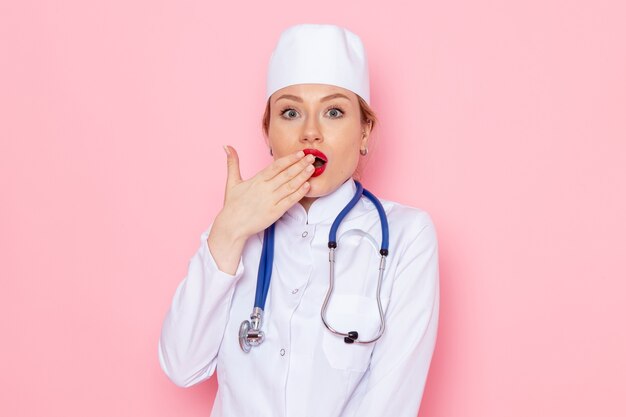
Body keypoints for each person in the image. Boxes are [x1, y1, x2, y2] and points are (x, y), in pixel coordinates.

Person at [158, 23, 440, 417]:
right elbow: (181, 365)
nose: (310, 132)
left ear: (364, 132)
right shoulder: (234, 231)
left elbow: (389, 403)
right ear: (268, 133)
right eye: (290, 112)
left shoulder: (407, 237)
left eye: (334, 112)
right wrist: (228, 230)